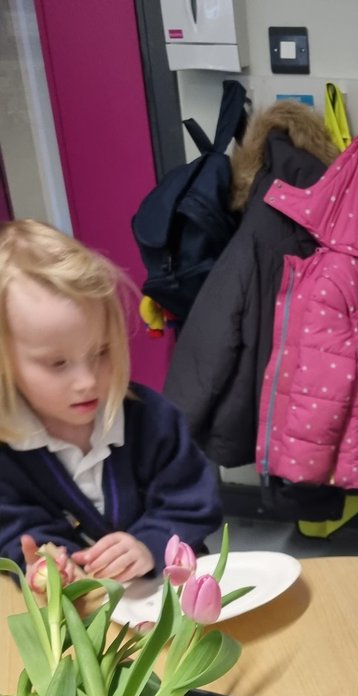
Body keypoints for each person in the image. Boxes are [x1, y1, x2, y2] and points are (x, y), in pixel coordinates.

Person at [0, 220, 221, 584]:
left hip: (172, 597)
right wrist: (51, 564)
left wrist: (149, 544)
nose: (87, 381)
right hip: (81, 614)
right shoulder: (9, 453)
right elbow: (15, 531)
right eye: (58, 363)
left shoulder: (153, 419)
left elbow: (194, 504)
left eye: (101, 352)